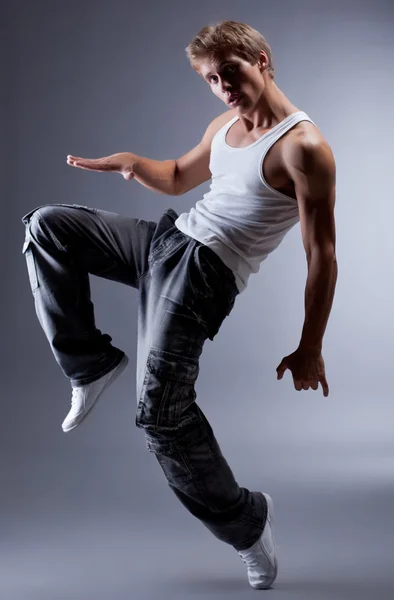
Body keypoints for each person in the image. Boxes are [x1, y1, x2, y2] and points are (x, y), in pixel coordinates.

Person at [21, 20, 337, 590]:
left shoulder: (304, 147)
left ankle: (248, 525)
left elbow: (323, 255)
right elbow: (175, 177)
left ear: (262, 59)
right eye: (212, 79)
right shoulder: (225, 123)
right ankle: (91, 364)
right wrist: (133, 163)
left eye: (231, 73)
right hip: (168, 241)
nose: (224, 88)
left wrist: (310, 344)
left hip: (202, 274)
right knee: (48, 227)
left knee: (161, 418)